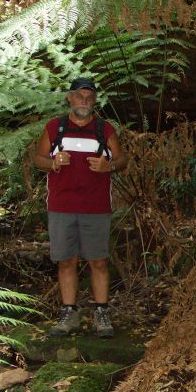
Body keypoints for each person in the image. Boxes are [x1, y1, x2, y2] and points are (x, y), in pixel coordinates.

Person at [32, 77, 128, 337]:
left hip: (96, 208)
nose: (84, 101)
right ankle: (69, 313)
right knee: (66, 261)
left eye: (89, 97)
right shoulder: (55, 128)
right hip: (62, 206)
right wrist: (52, 161)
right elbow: (37, 158)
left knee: (98, 261)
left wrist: (109, 166)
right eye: (79, 96)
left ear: (94, 101)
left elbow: (122, 159)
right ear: (70, 98)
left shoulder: (104, 130)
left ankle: (101, 313)